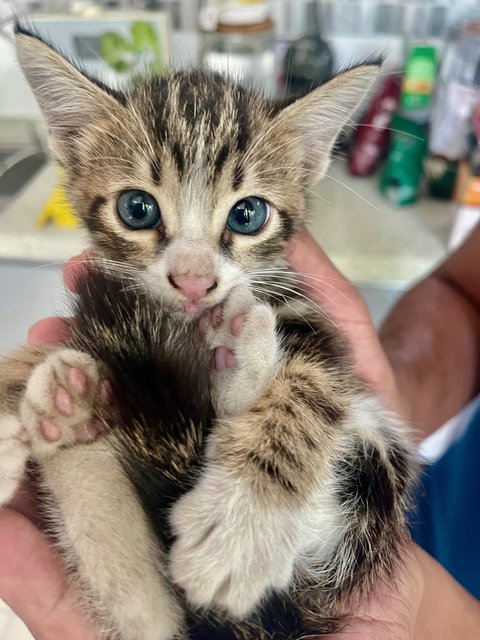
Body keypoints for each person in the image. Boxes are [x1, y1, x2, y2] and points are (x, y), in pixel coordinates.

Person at [1, 227, 480, 639]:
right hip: (417, 521)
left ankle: (111, 514)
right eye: (141, 211)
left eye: (243, 215)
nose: (194, 276)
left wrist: (271, 478)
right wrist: (383, 395)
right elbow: (464, 294)